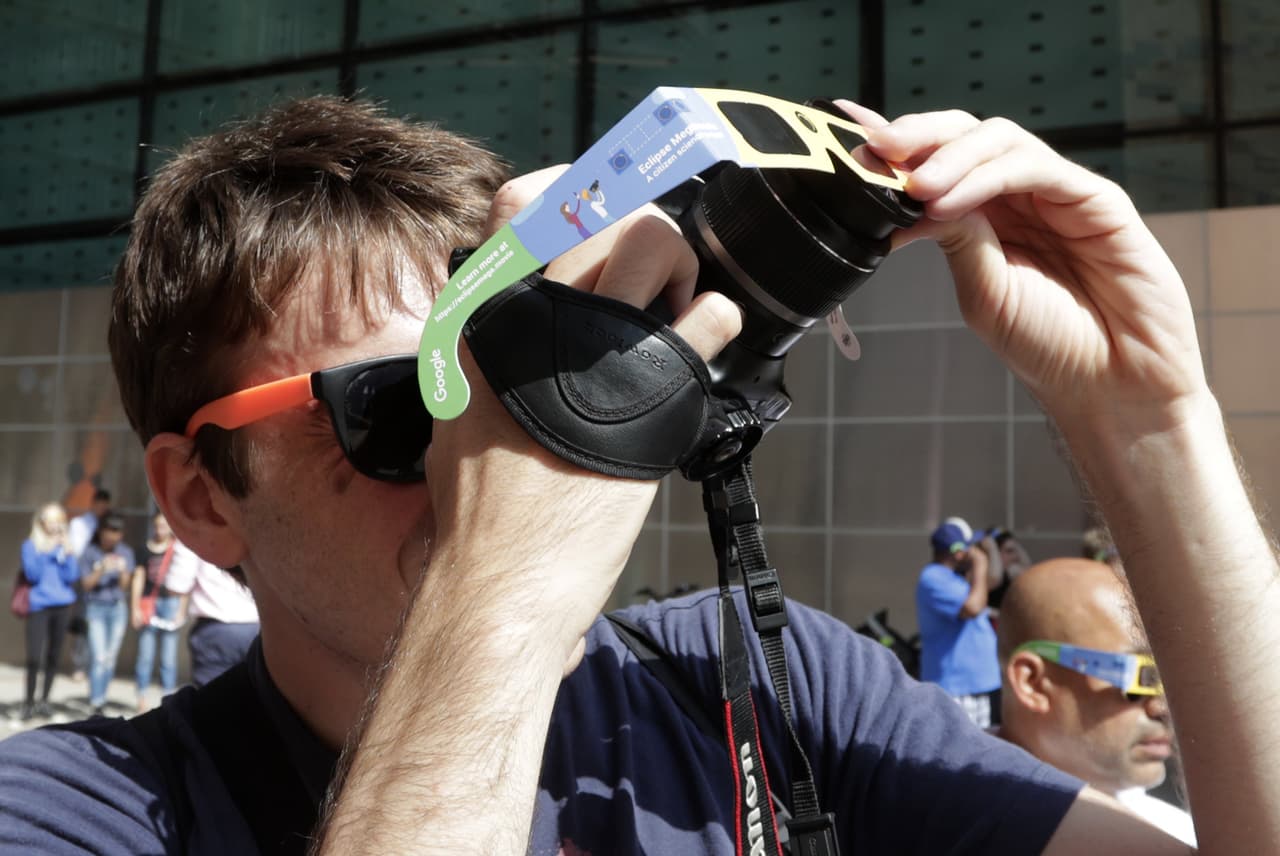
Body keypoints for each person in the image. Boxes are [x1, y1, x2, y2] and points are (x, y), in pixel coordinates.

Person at [0, 94, 1275, 855]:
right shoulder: (83, 811)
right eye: (408, 401)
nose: (476, 456)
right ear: (200, 494)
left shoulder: (770, 694)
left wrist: (1150, 425)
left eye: (503, 377)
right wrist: (499, 583)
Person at [996, 558, 1196, 846]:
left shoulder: (1174, 831)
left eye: (1169, 677)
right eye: (1142, 675)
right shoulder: (942, 825)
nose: (1162, 707)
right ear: (1033, 684)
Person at [916, 519, 1002, 726]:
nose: (974, 550)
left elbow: (991, 582)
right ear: (958, 552)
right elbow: (973, 608)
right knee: (963, 755)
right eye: (970, 546)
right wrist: (979, 563)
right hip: (957, 689)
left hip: (974, 686)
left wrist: (991, 552)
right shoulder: (933, 578)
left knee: (980, 751)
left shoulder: (953, 578)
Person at [163, 540, 259, 687]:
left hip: (216, 633)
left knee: (214, 705)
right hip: (260, 629)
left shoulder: (196, 529)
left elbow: (176, 585)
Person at [16, 502, 79, 721]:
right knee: (34, 657)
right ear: (41, 522)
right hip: (38, 606)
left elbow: (71, 577)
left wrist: (67, 552)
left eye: (59, 521)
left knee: (54, 655)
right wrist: (49, 551)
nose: (55, 525)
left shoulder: (65, 546)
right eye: (51, 520)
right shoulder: (30, 545)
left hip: (62, 605)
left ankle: (44, 701)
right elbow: (32, 575)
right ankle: (28, 703)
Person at [78, 513, 136, 715]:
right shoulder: (90, 552)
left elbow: (125, 586)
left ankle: (102, 698)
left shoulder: (125, 552)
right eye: (109, 531)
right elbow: (86, 585)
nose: (112, 536)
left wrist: (122, 571)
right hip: (95, 608)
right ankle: (95, 702)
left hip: (117, 608)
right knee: (98, 656)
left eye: (117, 532)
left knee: (110, 658)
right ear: (101, 531)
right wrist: (101, 568)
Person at [131, 511, 186, 711]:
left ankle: (168, 699)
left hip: (171, 604)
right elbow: (138, 578)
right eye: (157, 526)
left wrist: (182, 609)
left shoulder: (179, 549)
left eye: (164, 526)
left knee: (168, 658)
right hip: (149, 603)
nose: (160, 530)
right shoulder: (143, 549)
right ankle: (141, 697)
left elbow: (185, 581)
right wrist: (135, 607)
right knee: (145, 655)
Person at [66, 486, 111, 681]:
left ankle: (97, 666)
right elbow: (77, 552)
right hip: (84, 578)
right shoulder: (80, 524)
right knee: (82, 622)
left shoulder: (109, 524)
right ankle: (79, 665)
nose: (101, 509)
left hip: (106, 582)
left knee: (101, 625)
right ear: (93, 504)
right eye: (99, 505)